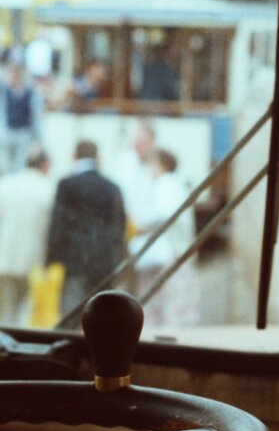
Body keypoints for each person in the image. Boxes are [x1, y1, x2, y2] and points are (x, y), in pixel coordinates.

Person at [46, 140, 127, 316]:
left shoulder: (66, 184)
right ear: (97, 157)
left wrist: (50, 258)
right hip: (104, 261)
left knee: (72, 313)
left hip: (74, 260)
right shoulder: (113, 187)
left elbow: (58, 225)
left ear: (75, 156)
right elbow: (119, 227)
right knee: (102, 314)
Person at [131, 148, 199, 327]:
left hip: (170, 255)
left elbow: (163, 212)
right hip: (176, 254)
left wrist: (141, 225)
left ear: (161, 165)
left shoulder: (166, 183)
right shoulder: (175, 184)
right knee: (171, 306)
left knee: (167, 307)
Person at [0, 149, 54, 324]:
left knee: (6, 309)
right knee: (25, 310)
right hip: (33, 259)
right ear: (44, 165)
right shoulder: (48, 189)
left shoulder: (6, 185)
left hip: (4, 257)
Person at [1, 61, 43, 174]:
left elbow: (35, 116)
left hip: (23, 132)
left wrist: (38, 138)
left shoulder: (29, 93)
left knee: (19, 164)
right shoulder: (5, 92)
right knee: (6, 164)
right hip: (8, 132)